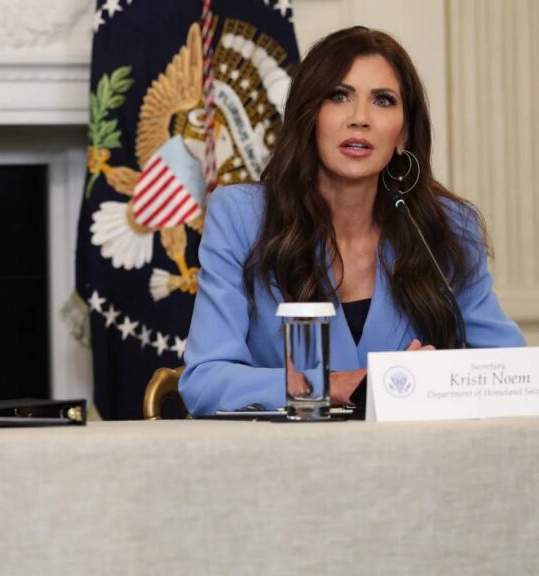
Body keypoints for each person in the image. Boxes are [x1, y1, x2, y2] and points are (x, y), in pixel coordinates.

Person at [179, 27, 524, 416]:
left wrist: (434, 378)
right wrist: (329, 385)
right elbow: (205, 381)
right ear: (310, 116)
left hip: (414, 452)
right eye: (339, 96)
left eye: (383, 100)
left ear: (403, 134)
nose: (360, 118)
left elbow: (508, 370)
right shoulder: (241, 217)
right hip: (283, 452)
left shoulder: (447, 227)